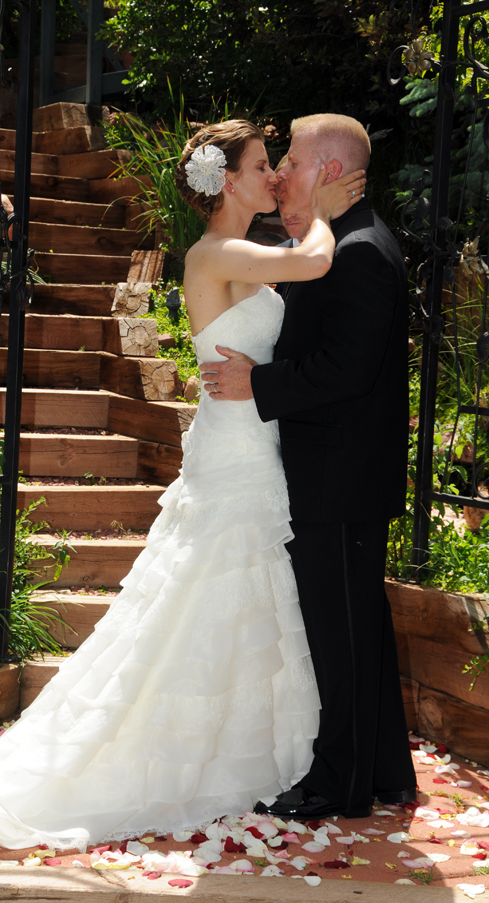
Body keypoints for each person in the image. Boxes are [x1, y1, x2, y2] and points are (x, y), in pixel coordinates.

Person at [0, 119, 365, 867]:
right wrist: (328, 207)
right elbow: (313, 259)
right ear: (228, 181)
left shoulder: (244, 251)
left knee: (236, 601)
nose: (274, 176)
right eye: (263, 165)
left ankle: (240, 751)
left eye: (277, 164)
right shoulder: (216, 252)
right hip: (235, 455)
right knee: (210, 598)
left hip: (247, 443)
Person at [199, 113, 417, 821]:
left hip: (340, 478)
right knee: (361, 627)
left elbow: (344, 369)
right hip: (337, 475)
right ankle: (384, 770)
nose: (283, 170)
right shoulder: (341, 244)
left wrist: (259, 385)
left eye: (292, 159)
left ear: (328, 171)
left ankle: (339, 783)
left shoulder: (359, 251)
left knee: (343, 632)